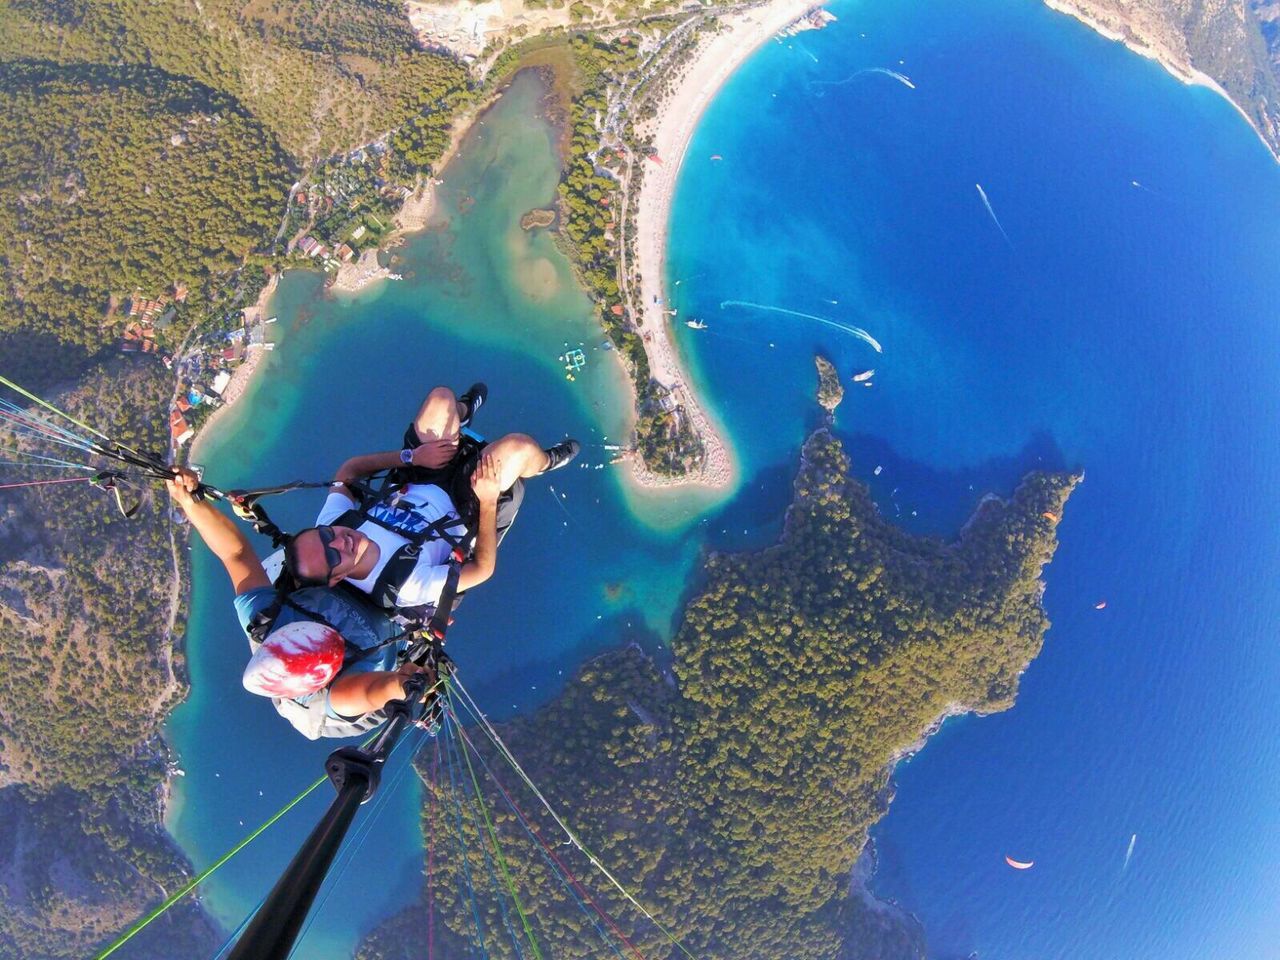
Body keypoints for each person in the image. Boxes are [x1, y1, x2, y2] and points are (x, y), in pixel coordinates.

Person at [165, 467, 428, 734]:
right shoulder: (339, 692)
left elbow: (236, 554)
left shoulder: (265, 619)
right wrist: (403, 684)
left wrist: (191, 502)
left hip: (341, 589)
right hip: (389, 632)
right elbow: (372, 691)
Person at [282, 384, 579, 614]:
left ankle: (462, 412)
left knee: (440, 399)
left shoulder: (335, 522)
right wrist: (488, 501)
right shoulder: (405, 585)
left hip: (418, 475)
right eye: (333, 556)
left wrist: (410, 457)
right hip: (466, 506)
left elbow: (348, 472)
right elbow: (481, 570)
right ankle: (545, 462)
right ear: (337, 579)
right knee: (519, 447)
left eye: (324, 535)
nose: (337, 541)